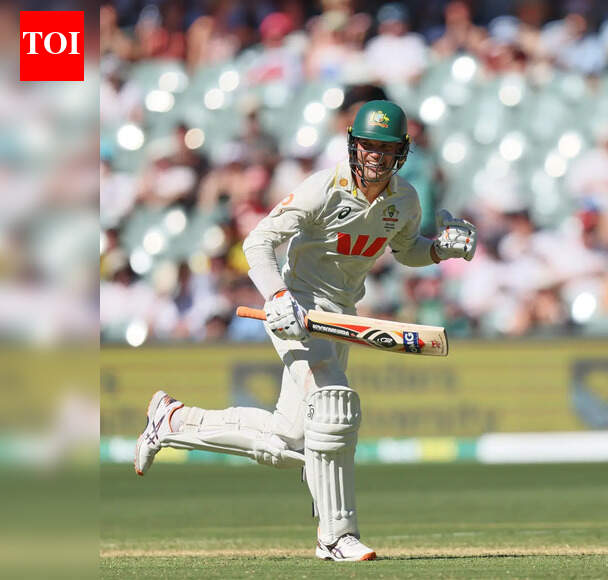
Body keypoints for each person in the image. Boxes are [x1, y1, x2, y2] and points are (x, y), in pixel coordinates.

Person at [133, 100, 477, 562]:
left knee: (289, 439)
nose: (375, 156)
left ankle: (172, 421)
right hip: (298, 310)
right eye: (368, 145)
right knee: (334, 405)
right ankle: (336, 536)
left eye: (385, 147)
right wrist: (278, 297)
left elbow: (405, 249)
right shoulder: (324, 188)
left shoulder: (405, 200)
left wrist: (438, 250)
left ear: (401, 152)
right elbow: (258, 241)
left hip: (343, 317)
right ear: (353, 146)